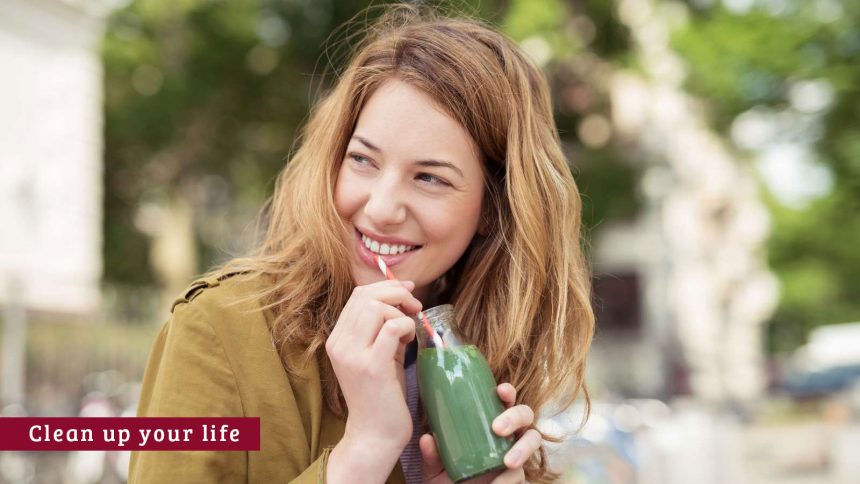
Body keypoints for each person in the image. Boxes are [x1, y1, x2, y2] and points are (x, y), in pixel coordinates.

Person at [128, 4, 594, 484]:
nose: (380, 207)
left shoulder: (486, 357)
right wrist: (362, 453)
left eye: (430, 177)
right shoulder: (218, 331)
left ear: (492, 209)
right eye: (363, 160)